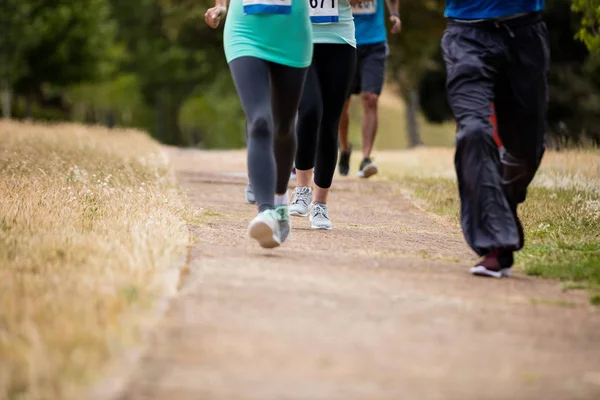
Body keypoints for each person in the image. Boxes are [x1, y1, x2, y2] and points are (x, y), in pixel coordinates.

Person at [441, 0, 548, 277]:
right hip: (466, 34)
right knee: (473, 131)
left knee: (526, 150)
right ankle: (495, 245)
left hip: (524, 30)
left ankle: (502, 205)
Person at [205, 0, 312, 248]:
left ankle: (280, 200)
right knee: (260, 121)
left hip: (292, 35)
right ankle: (266, 211)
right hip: (244, 30)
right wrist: (221, 6)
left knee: (284, 126)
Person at [288, 0, 357, 230]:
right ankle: (302, 189)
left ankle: (320, 204)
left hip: (341, 41)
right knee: (308, 110)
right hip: (300, 40)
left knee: (329, 123)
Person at [337, 0, 401, 178]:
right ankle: (345, 148)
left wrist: (394, 14)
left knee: (371, 98)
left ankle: (366, 157)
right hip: (344, 39)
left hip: (375, 41)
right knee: (342, 102)